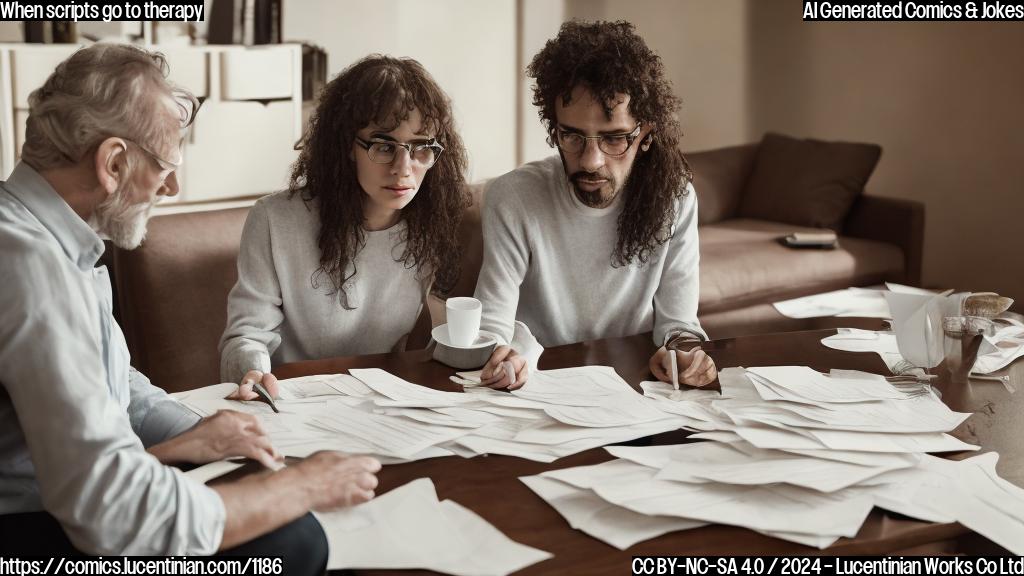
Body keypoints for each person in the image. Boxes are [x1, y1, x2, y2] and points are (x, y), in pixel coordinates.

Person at [0, 44, 379, 571]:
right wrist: (304, 485)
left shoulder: (44, 235)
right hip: (21, 534)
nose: (174, 186)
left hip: (55, 495)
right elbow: (114, 513)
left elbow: (112, 380)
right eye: (166, 164)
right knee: (290, 542)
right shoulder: (30, 266)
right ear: (113, 162)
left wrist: (191, 429)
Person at [220, 54, 485, 399]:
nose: (403, 168)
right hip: (294, 401)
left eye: (421, 147)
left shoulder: (435, 221)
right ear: (347, 146)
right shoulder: (275, 220)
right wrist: (252, 370)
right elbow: (246, 336)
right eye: (384, 146)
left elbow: (456, 332)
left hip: (387, 402)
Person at [474, 20, 718, 389]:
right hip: (538, 383)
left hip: (634, 386)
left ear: (645, 135)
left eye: (615, 138)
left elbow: (679, 327)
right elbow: (492, 323)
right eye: (571, 135)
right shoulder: (513, 197)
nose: (591, 161)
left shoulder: (675, 197)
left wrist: (685, 354)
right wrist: (498, 354)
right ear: (553, 126)